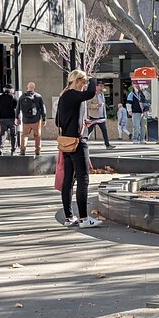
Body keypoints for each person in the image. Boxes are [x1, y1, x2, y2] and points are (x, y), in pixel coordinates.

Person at [55, 70, 102, 228]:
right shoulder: (74, 94)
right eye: (83, 82)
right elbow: (90, 94)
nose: (85, 85)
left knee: (68, 180)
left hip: (66, 143)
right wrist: (93, 79)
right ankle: (83, 218)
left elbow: (57, 121)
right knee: (83, 179)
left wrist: (79, 121)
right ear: (76, 81)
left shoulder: (63, 97)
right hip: (78, 142)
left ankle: (69, 217)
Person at [16, 82, 46, 156]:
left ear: (27, 87)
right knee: (37, 135)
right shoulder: (38, 96)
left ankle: (22, 149)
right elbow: (43, 108)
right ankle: (37, 150)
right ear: (34, 88)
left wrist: (17, 118)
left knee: (24, 135)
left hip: (26, 120)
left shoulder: (22, 97)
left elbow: (17, 108)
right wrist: (44, 118)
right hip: (36, 120)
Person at [87, 82, 115, 149]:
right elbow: (88, 105)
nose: (101, 87)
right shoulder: (92, 95)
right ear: (96, 87)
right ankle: (81, 142)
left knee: (104, 130)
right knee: (89, 130)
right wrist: (97, 105)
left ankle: (107, 145)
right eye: (100, 86)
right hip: (93, 116)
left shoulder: (102, 95)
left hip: (101, 116)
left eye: (102, 86)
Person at [0, 83, 18, 155]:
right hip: (11, 118)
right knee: (13, 134)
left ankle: (0, 148)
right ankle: (13, 150)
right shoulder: (13, 97)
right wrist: (17, 117)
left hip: (2, 118)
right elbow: (16, 107)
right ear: (11, 90)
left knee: (3, 133)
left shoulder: (0, 97)